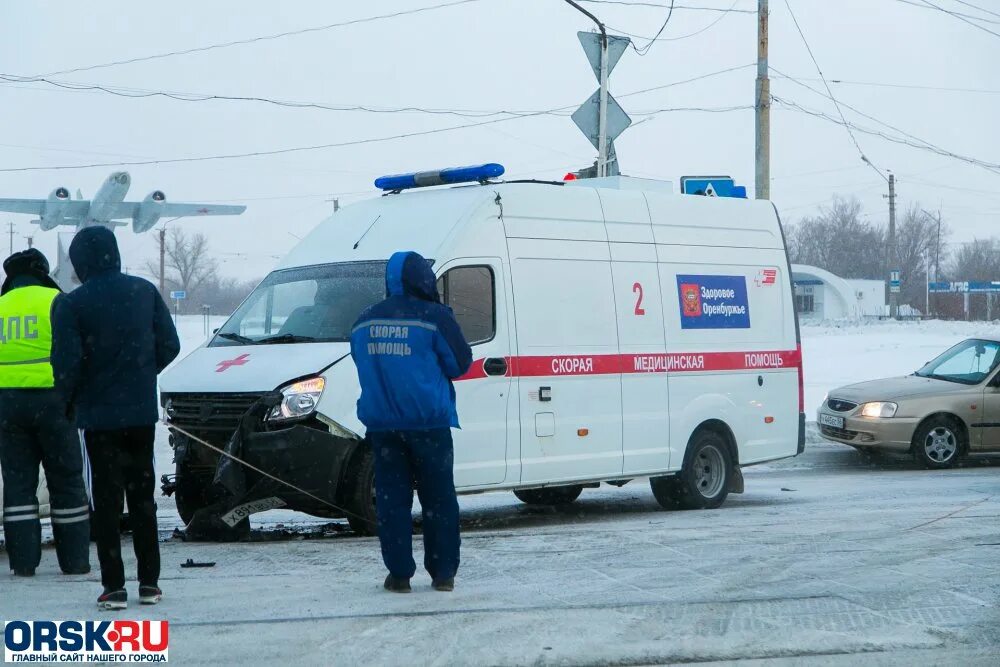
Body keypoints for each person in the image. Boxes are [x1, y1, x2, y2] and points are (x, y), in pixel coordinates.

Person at [51, 227, 180, 611]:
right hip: (140, 415)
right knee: (143, 499)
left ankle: (114, 587)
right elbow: (170, 345)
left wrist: (71, 403)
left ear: (80, 263)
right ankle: (150, 583)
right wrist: (141, 374)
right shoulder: (144, 292)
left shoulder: (72, 305)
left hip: (98, 420)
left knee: (105, 503)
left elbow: (66, 365)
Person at [350, 251, 472, 593]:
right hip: (429, 424)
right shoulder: (434, 317)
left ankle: (399, 574)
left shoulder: (364, 321)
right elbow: (460, 364)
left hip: (383, 427)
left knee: (391, 502)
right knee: (438, 500)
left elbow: (361, 363)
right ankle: (443, 573)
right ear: (423, 279)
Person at [0, 249, 91, 577]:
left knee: (18, 485)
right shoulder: (56, 301)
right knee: (66, 480)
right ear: (41, 271)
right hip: (53, 404)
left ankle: (23, 563)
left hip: (7, 408)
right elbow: (74, 354)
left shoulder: (1, 305)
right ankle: (75, 560)